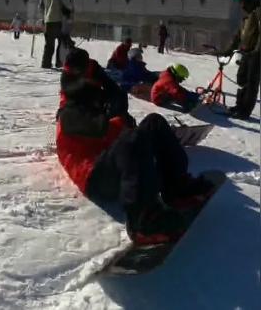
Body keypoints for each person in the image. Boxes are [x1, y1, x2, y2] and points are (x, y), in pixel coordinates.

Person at [56, 48, 215, 244]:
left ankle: (177, 189)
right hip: (94, 177)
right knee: (130, 140)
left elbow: (117, 103)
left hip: (111, 162)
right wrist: (119, 119)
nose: (102, 98)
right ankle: (141, 219)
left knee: (154, 122)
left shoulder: (94, 101)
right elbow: (102, 129)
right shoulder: (69, 114)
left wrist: (108, 86)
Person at [216, 0, 260, 119]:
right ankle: (239, 105)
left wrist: (257, 52)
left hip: (256, 54)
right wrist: (228, 51)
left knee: (251, 82)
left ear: (247, 0)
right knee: (241, 79)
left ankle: (244, 111)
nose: (240, 6)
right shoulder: (246, 17)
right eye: (239, 3)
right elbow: (237, 37)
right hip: (246, 53)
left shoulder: (258, 12)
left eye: (242, 2)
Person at [38, 0, 72, 68]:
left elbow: (41, 6)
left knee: (49, 44)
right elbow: (66, 2)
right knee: (62, 43)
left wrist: (45, 15)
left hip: (48, 22)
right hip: (59, 20)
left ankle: (46, 63)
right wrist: (70, 10)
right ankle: (60, 62)